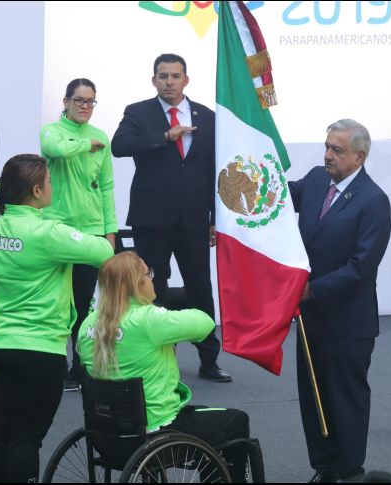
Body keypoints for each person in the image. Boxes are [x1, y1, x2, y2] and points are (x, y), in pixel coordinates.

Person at [0, 154, 113, 482]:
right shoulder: (49, 233)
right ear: (37, 191)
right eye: (50, 182)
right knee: (26, 438)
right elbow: (103, 253)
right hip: (40, 350)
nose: (53, 187)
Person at [77, 251, 249, 480]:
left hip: (106, 438)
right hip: (156, 433)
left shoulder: (87, 324)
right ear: (136, 284)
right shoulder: (148, 320)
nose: (152, 279)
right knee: (237, 420)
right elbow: (206, 323)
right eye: (149, 274)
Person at [111, 53, 231, 383]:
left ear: (186, 80)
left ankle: (209, 358)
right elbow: (118, 146)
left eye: (175, 76)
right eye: (162, 76)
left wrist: (213, 217)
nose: (169, 82)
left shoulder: (207, 117)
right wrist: (165, 137)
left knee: (200, 288)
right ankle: (160, 357)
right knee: (153, 287)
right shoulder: (138, 112)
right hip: (152, 219)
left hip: (194, 219)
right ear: (154, 80)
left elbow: (212, 171)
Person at [288, 119, 391, 483]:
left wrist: (314, 289)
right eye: (327, 147)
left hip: (347, 322)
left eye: (337, 150)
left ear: (359, 156)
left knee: (345, 401)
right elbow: (281, 197)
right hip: (310, 317)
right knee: (312, 397)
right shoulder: (317, 178)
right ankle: (324, 468)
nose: (328, 155)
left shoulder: (374, 200)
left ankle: (350, 473)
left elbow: (361, 268)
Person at [40, 78, 117, 392]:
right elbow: (55, 150)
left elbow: (107, 188)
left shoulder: (101, 137)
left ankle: (81, 366)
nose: (85, 107)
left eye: (91, 101)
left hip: (92, 233)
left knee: (85, 303)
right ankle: (54, 365)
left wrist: (109, 233)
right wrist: (86, 145)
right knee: (60, 302)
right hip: (59, 231)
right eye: (79, 100)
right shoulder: (53, 131)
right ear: (66, 101)